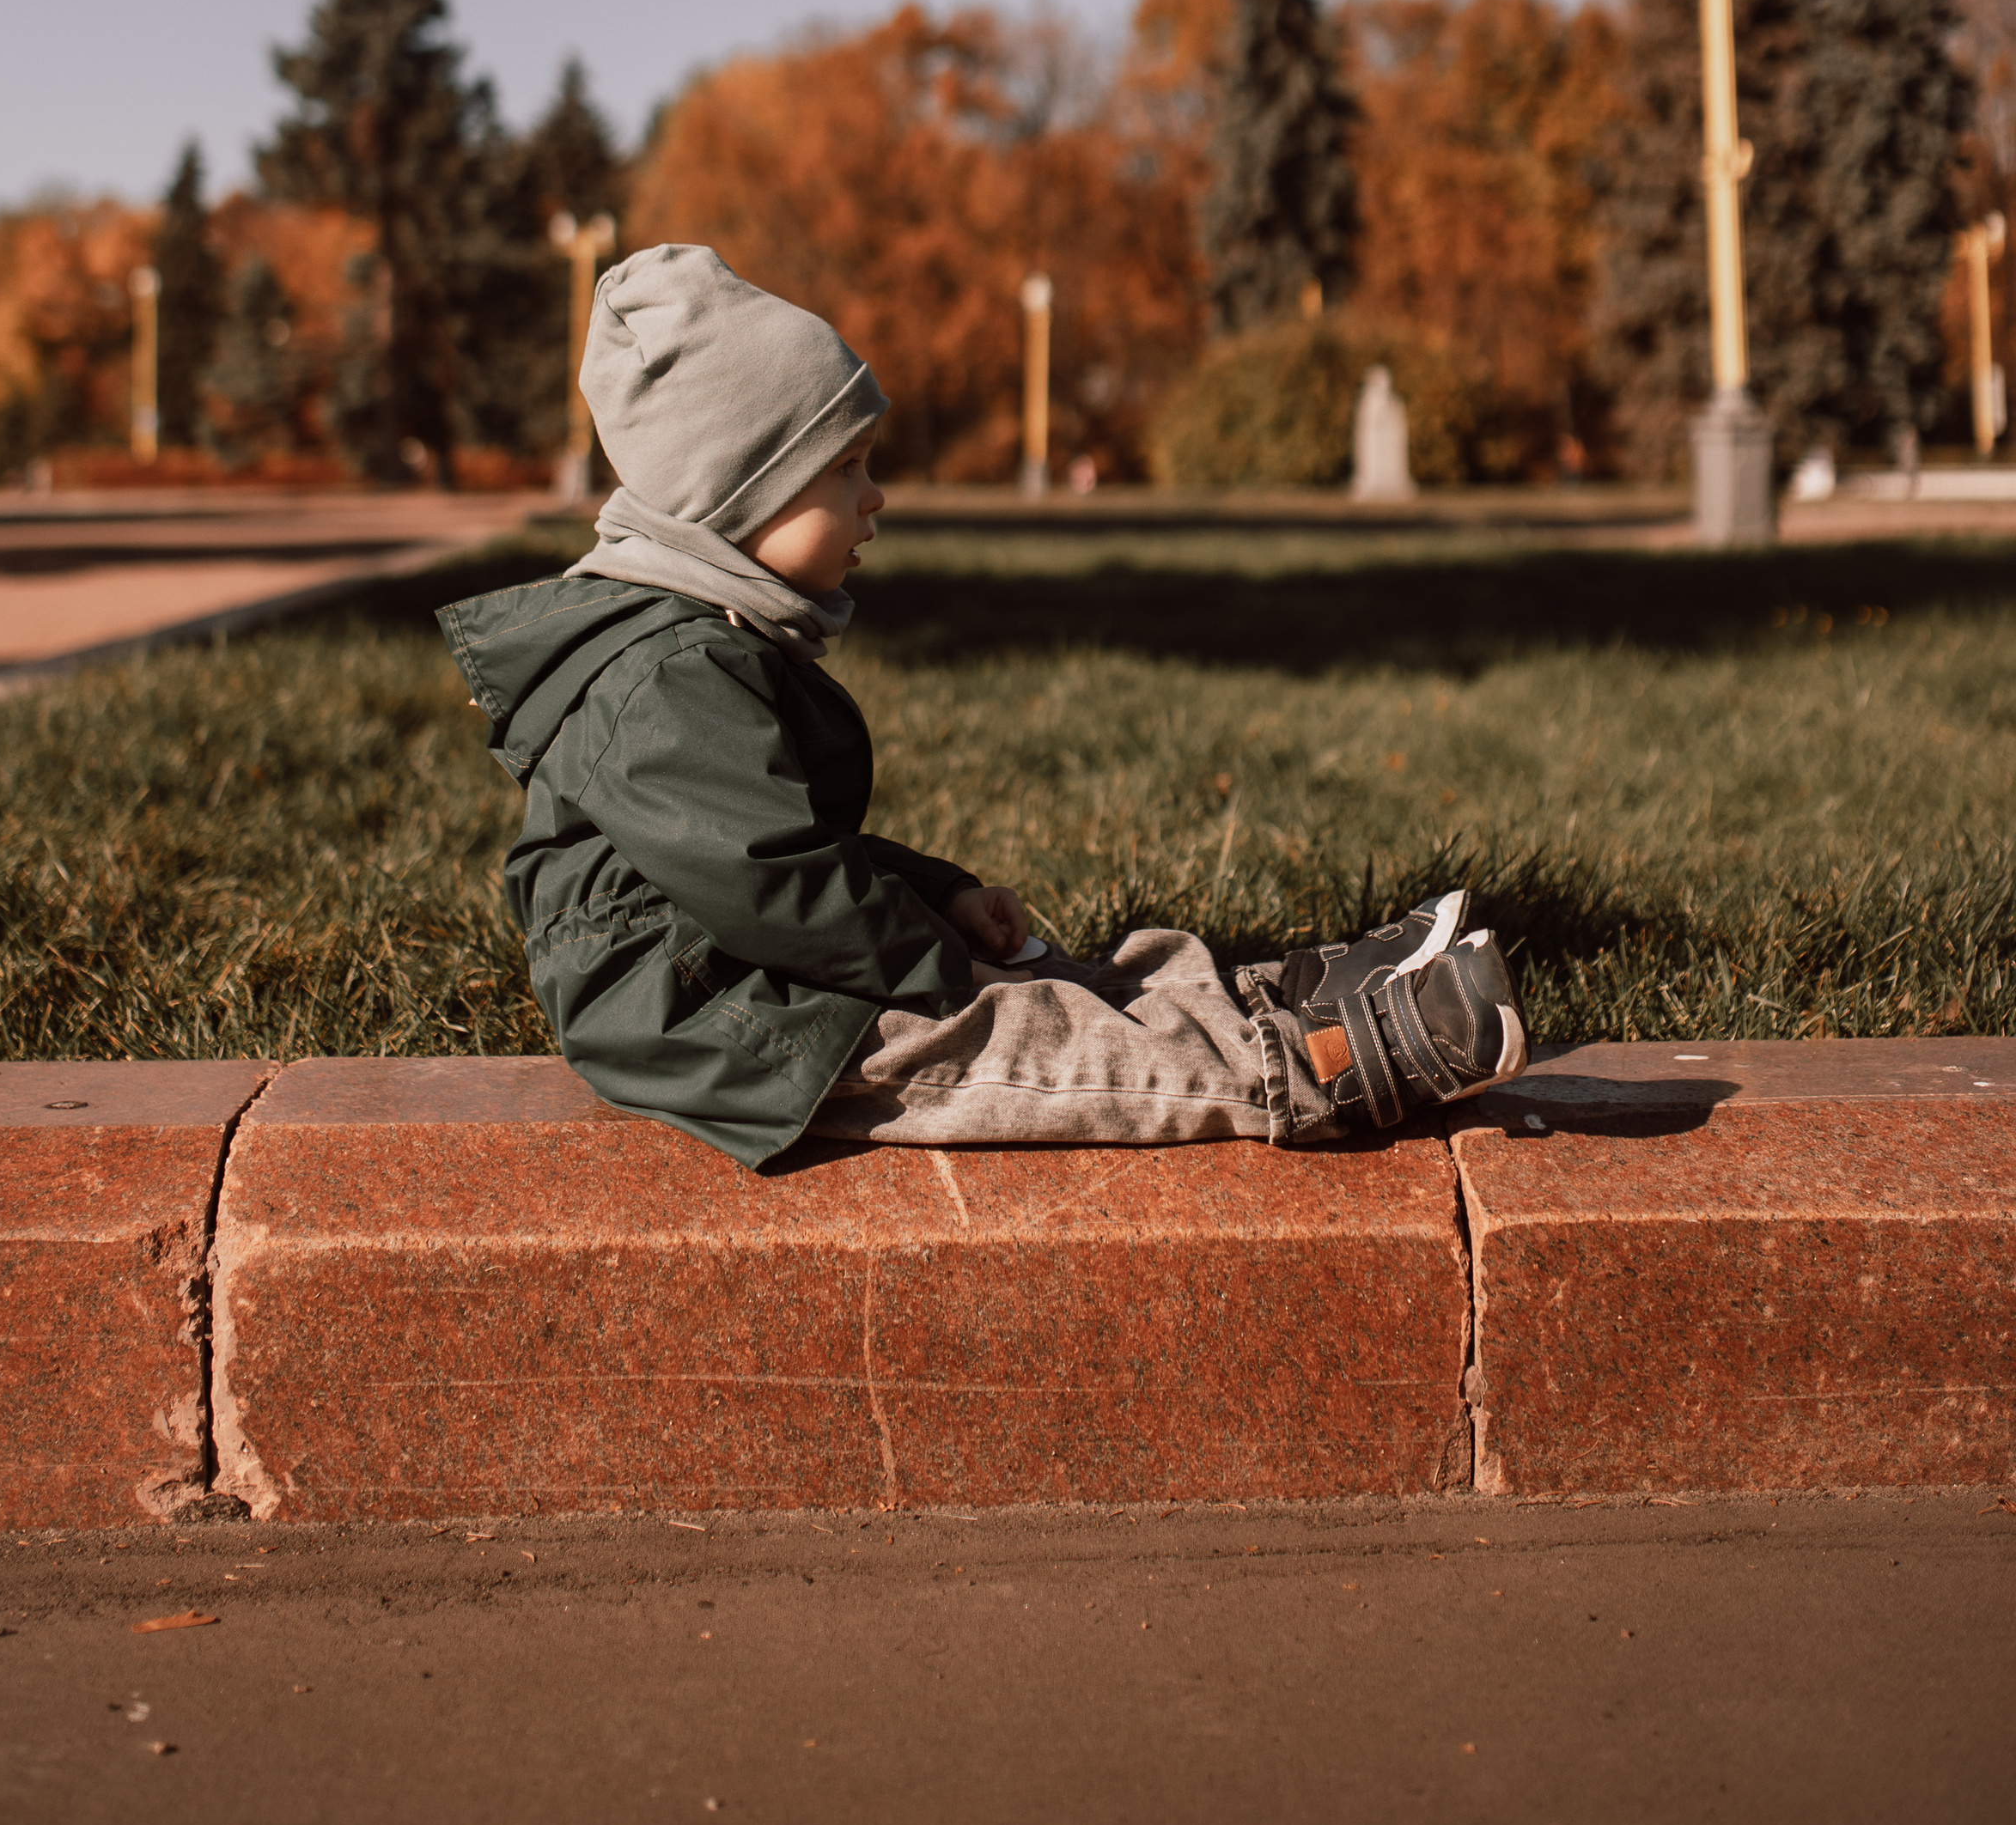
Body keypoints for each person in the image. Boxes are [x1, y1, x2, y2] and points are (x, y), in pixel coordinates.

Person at [441, 244, 1526, 1171]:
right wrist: (937, 964)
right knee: (1022, 1046)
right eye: (847, 468)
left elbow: (779, 846)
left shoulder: (693, 647)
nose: (875, 499)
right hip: (713, 1020)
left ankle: (1259, 991)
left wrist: (940, 899)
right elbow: (771, 887)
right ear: (738, 498)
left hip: (745, 975)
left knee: (1035, 976)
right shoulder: (658, 675)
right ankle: (1308, 1064)